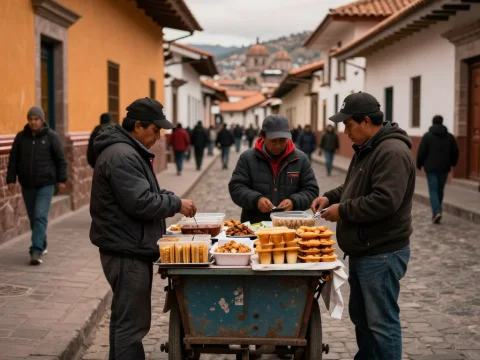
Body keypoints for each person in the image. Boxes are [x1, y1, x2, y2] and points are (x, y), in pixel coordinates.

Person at [90, 97, 197, 360]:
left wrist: (166, 195)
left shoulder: (128, 151)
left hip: (128, 246)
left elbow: (144, 191)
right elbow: (139, 202)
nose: (159, 136)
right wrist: (175, 203)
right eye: (156, 129)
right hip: (126, 250)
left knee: (123, 320)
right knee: (132, 325)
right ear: (139, 125)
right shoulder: (122, 155)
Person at [311, 92, 414, 360]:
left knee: (381, 323)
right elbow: (355, 186)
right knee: (363, 319)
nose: (345, 132)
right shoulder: (368, 148)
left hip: (382, 252)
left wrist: (342, 211)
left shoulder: (391, 151)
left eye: (348, 125)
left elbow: (385, 201)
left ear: (366, 121)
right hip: (364, 250)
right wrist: (331, 197)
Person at [229, 114, 319, 224]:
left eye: (282, 140)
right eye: (273, 140)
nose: (278, 145)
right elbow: (236, 188)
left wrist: (293, 202)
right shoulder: (247, 158)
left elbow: (311, 190)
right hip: (255, 226)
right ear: (263, 136)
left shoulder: (300, 159)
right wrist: (256, 200)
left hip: (290, 227)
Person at [6, 106, 67, 265]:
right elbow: (13, 160)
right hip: (27, 184)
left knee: (40, 215)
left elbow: (61, 159)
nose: (33, 122)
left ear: (42, 120)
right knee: (34, 217)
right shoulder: (21, 137)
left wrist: (61, 180)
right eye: (31, 119)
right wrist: (11, 179)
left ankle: (36, 250)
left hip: (46, 184)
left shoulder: (51, 137)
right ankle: (42, 242)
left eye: (36, 119)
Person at [416, 115, 459, 224]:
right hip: (444, 168)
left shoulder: (427, 136)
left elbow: (421, 152)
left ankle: (437, 211)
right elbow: (455, 152)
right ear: (442, 122)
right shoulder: (449, 137)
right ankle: (437, 211)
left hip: (431, 168)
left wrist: (419, 164)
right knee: (440, 190)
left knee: (433, 190)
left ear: (433, 122)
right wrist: (453, 163)